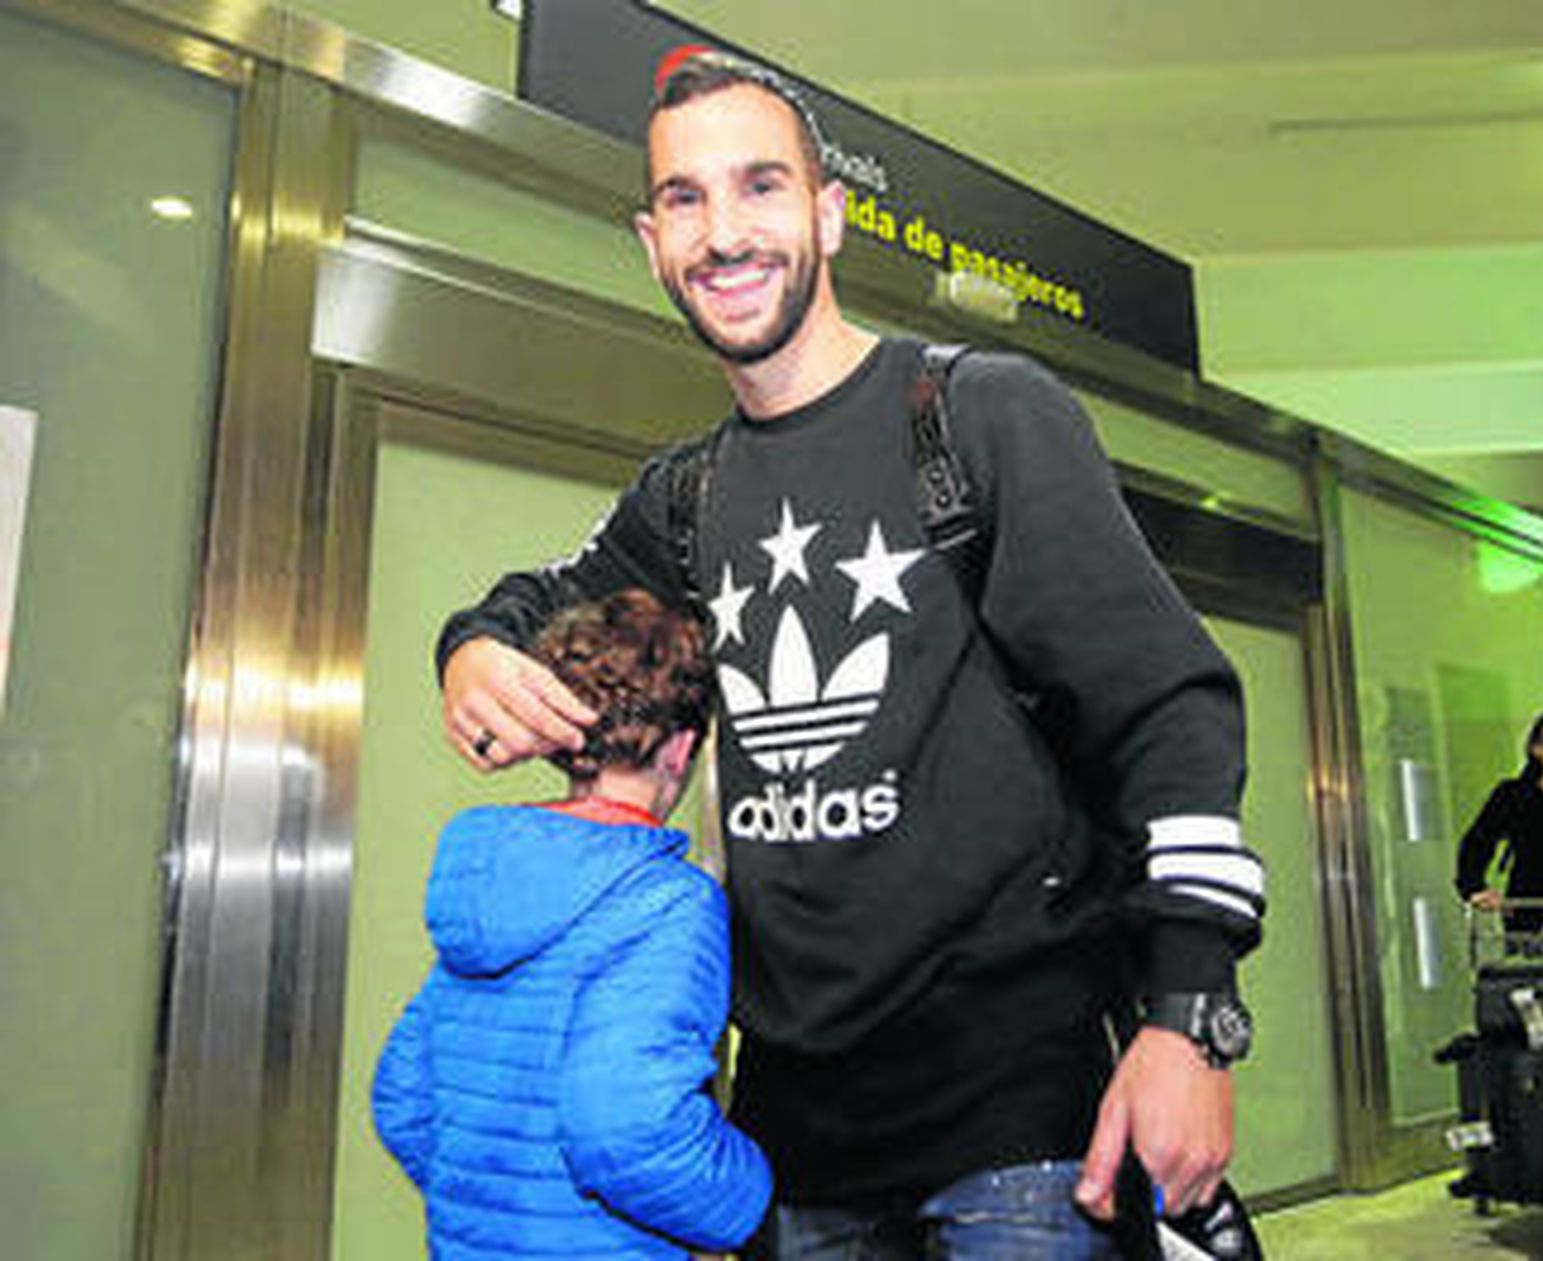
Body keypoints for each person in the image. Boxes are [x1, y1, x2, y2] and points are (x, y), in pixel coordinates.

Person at [435, 47, 1265, 1259]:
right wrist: (468, 650)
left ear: (826, 213)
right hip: (790, 1142)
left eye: (760, 187)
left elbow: (1169, 711)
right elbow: (539, 606)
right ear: (650, 241)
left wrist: (1189, 1018)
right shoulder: (684, 495)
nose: (724, 232)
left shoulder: (981, 416)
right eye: (685, 199)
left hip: (1019, 1131)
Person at [373, 588, 772, 1260]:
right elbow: (629, 1129)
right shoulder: (668, 898)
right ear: (680, 750)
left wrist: (497, 1204)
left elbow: (404, 1098)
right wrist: (753, 1195)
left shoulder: (487, 873)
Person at [1455, 708, 1543, 948]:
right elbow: (1477, 842)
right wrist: (1475, 888)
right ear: (1537, 749)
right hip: (1527, 918)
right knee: (1529, 981)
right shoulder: (1512, 795)